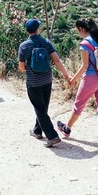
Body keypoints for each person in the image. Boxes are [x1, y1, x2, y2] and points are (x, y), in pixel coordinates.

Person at [56, 18, 98, 144]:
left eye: (78, 30)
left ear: (81, 29)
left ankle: (67, 129)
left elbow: (84, 66)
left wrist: (73, 79)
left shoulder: (85, 44)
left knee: (78, 105)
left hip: (91, 78)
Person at [18, 19, 71, 148]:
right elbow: (57, 61)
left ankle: (52, 136)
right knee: (43, 107)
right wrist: (66, 75)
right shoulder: (46, 42)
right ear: (38, 30)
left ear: (26, 31)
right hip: (47, 79)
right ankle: (37, 130)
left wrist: (28, 68)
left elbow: (21, 67)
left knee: (39, 108)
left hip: (33, 82)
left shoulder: (24, 46)